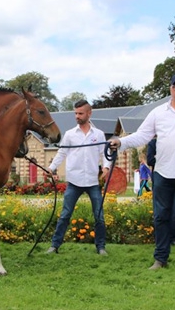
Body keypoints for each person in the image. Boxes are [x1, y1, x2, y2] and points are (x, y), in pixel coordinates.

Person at [109, 72, 175, 273]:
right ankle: (160, 258)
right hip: (163, 173)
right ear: (171, 89)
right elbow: (142, 135)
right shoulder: (159, 112)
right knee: (161, 217)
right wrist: (120, 142)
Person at [46, 99, 111, 255]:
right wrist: (51, 168)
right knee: (65, 215)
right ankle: (54, 246)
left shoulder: (99, 134)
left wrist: (107, 167)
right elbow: (61, 153)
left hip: (92, 181)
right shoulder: (69, 135)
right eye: (75, 113)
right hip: (74, 181)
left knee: (99, 216)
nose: (77, 116)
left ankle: (101, 247)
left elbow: (105, 153)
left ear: (89, 113)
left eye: (80, 113)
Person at [147, 136, 175, 246]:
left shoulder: (174, 141)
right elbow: (150, 160)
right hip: (159, 179)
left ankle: (174, 237)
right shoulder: (153, 143)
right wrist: (166, 157)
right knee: (160, 210)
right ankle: (161, 238)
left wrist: (161, 157)